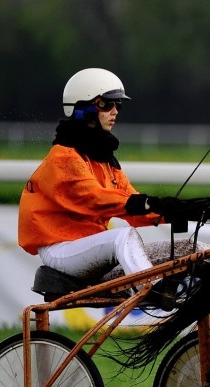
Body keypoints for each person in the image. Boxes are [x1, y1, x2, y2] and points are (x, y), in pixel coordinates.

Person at [18, 68, 187, 306]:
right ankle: (153, 290)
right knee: (122, 237)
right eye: (106, 104)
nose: (115, 111)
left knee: (190, 247)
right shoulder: (63, 157)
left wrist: (176, 212)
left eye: (118, 105)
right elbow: (94, 198)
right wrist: (147, 202)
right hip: (61, 252)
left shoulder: (105, 160)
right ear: (82, 108)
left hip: (89, 247)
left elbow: (133, 206)